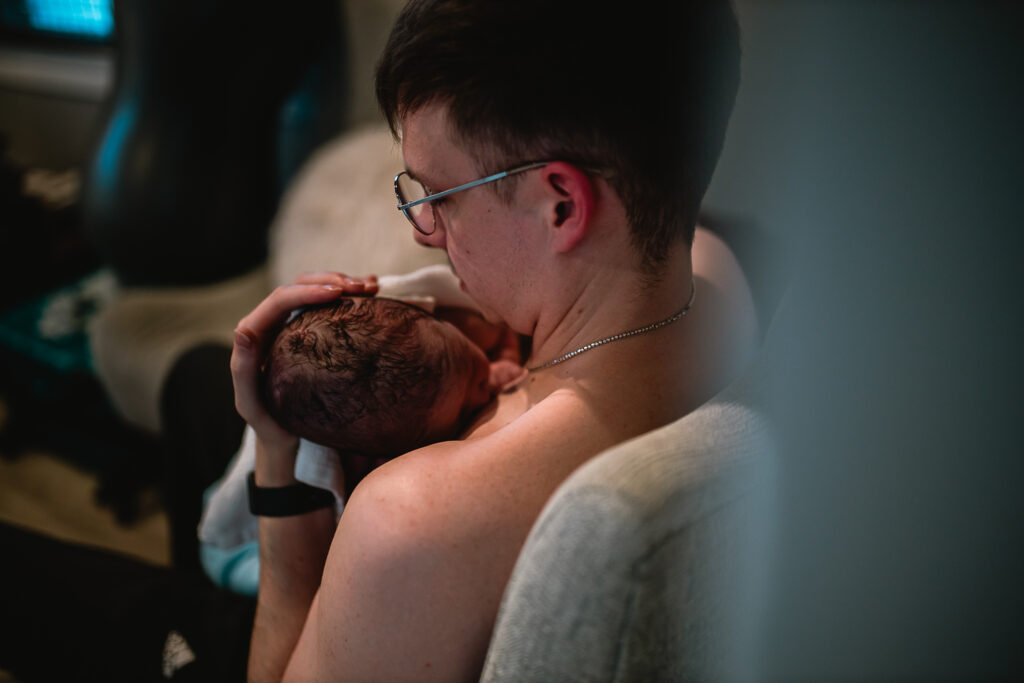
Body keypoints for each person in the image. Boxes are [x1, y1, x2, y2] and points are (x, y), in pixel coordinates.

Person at [233, 0, 759, 680]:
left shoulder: (413, 521)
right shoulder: (721, 277)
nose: (425, 232)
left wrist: (275, 454)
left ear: (560, 205)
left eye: (438, 195)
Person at [262, 295, 524, 460]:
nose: (482, 397)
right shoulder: (389, 449)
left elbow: (502, 331)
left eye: (474, 368)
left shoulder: (463, 325)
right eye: (464, 412)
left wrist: (507, 358)